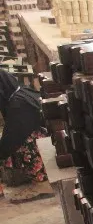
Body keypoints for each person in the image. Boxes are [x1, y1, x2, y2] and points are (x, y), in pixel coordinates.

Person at [0, 71, 48, 203]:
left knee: (21, 145)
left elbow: (13, 136)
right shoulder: (20, 93)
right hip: (44, 136)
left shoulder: (18, 103)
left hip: (43, 142)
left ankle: (43, 186)